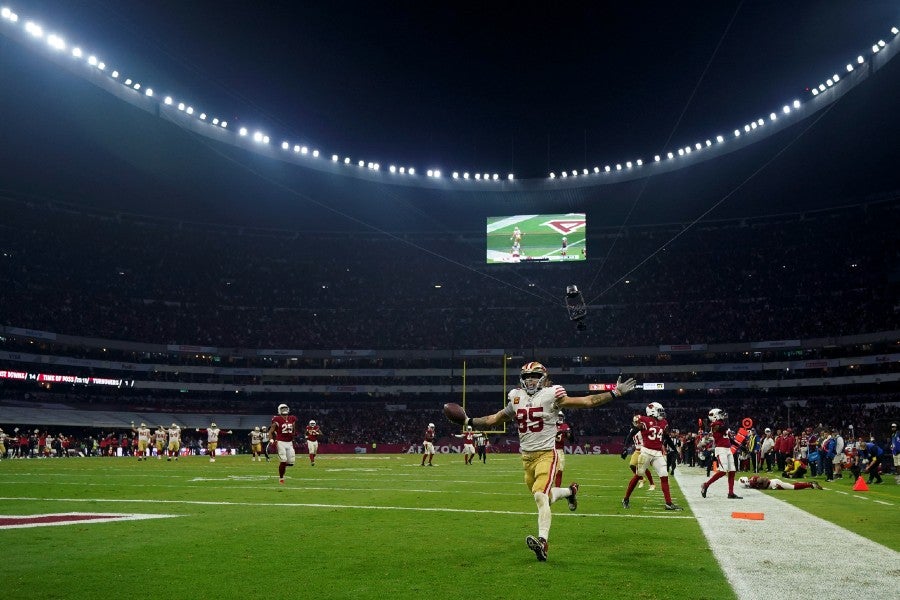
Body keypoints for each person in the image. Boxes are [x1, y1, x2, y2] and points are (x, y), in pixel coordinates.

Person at [447, 361, 637, 562]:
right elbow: (495, 419)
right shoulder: (516, 396)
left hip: (547, 454)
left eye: (535, 376)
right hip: (526, 458)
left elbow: (588, 401)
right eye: (527, 376)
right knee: (544, 497)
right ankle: (571, 492)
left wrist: (615, 393)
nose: (531, 379)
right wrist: (468, 422)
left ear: (543, 378)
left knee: (540, 496)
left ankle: (542, 542)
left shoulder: (552, 394)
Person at [622, 402, 682, 511]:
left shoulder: (663, 422)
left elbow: (667, 438)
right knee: (638, 475)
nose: (662, 413)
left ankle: (668, 503)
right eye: (660, 411)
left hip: (658, 453)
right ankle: (626, 498)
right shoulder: (644, 420)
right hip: (646, 452)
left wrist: (675, 451)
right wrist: (625, 447)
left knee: (664, 476)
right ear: (652, 411)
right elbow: (632, 433)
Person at [700, 408, 742, 499]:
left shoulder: (722, 423)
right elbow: (725, 428)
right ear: (715, 415)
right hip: (721, 449)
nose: (723, 415)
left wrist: (740, 446)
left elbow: (729, 439)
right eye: (720, 413)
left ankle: (731, 493)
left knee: (732, 471)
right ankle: (706, 485)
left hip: (728, 449)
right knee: (723, 471)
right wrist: (727, 419)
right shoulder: (714, 424)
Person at [621, 417, 655, 490]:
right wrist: (625, 448)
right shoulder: (632, 430)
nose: (637, 423)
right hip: (637, 450)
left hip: (644, 450)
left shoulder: (645, 429)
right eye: (636, 422)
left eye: (638, 422)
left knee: (643, 467)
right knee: (632, 465)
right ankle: (642, 478)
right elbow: (629, 438)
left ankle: (652, 484)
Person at [268, 403, 297, 484]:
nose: (284, 410)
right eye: (282, 409)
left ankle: (282, 466)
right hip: (281, 442)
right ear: (279, 410)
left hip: (289, 442)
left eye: (285, 408)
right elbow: (270, 431)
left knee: (291, 463)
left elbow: (294, 429)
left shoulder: (292, 418)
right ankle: (281, 478)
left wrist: (294, 434)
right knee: (283, 461)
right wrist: (271, 440)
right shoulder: (277, 419)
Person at [553, 411, 574, 486]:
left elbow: (571, 439)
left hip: (559, 450)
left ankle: (557, 489)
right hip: (551, 450)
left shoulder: (565, 425)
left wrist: (569, 433)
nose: (560, 417)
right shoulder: (552, 425)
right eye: (558, 415)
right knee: (549, 471)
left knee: (560, 470)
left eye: (561, 416)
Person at [739, 475, 822, 490]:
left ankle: (811, 485)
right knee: (791, 485)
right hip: (774, 483)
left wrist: (764, 487)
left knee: (792, 487)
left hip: (774, 484)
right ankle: (809, 483)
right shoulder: (752, 479)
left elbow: (765, 479)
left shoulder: (754, 481)